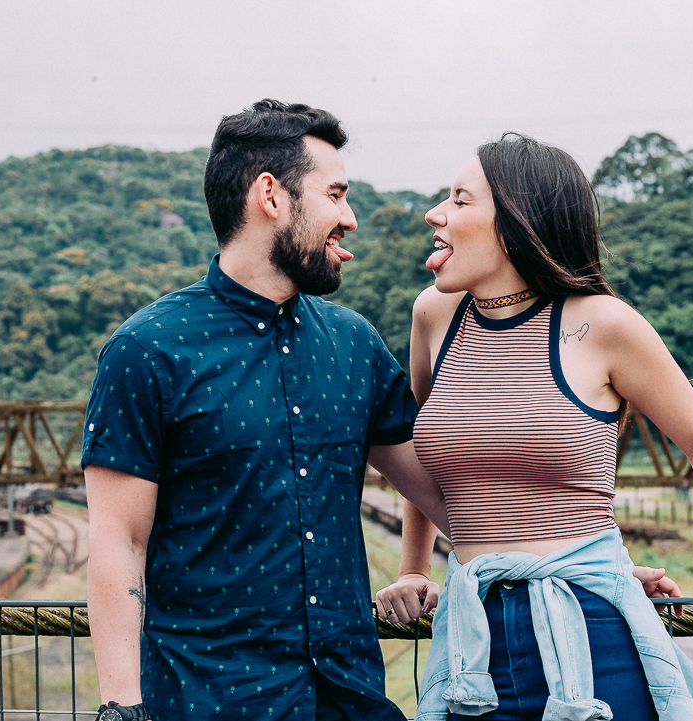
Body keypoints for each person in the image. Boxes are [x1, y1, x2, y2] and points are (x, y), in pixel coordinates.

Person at [375, 134, 693, 721]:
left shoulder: (603, 323)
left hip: (590, 625)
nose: (434, 214)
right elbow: (420, 457)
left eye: (460, 201)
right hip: (472, 632)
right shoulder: (434, 315)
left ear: (517, 222)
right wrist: (413, 570)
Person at [81, 99, 451, 721]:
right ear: (271, 196)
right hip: (207, 702)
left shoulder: (354, 345)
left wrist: (590, 565)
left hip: (349, 698)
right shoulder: (145, 350)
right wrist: (122, 708)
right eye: (335, 194)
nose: (351, 218)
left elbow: (450, 493)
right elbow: (119, 542)